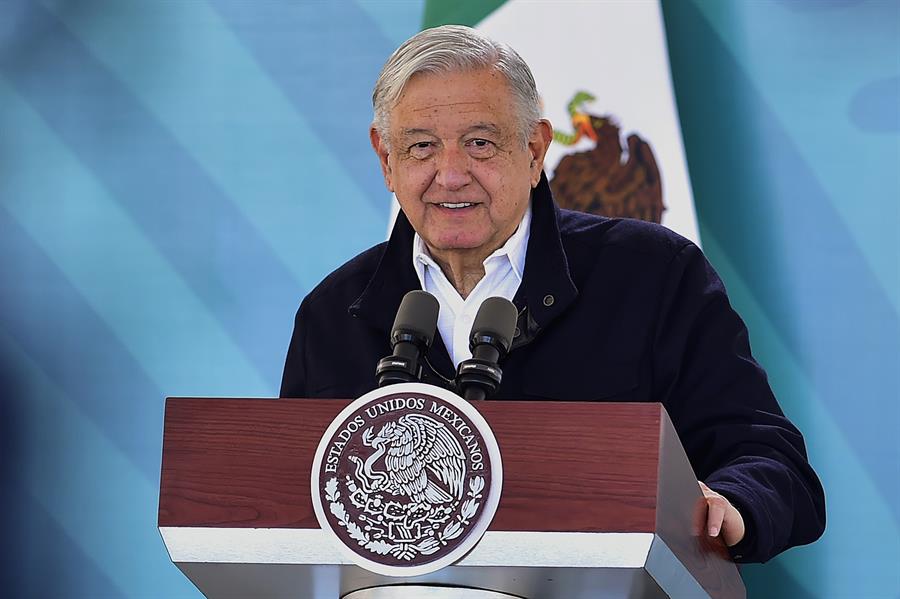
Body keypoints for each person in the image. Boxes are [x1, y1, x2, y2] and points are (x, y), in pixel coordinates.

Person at [280, 25, 825, 564]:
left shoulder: (653, 275)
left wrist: (731, 501)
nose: (450, 174)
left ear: (535, 149)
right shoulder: (333, 314)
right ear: (386, 160)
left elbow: (769, 461)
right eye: (421, 147)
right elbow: (284, 506)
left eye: (479, 143)